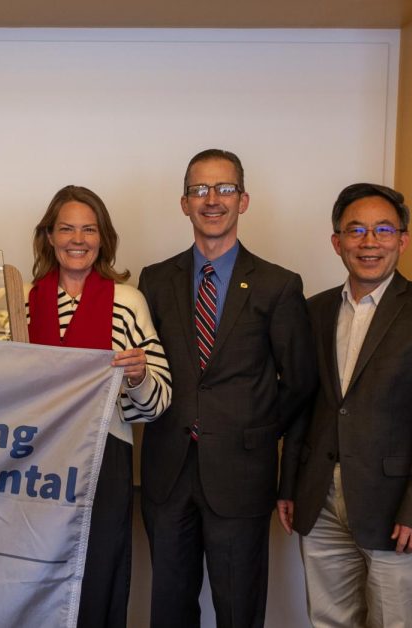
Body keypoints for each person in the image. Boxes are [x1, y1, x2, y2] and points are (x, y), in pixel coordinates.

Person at [278, 183, 412, 627]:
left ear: (402, 239)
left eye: (383, 230)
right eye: (356, 230)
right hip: (321, 500)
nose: (369, 242)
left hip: (397, 508)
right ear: (337, 242)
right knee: (329, 620)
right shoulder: (314, 311)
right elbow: (303, 406)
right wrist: (289, 485)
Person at [137, 149, 316, 627]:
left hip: (242, 473)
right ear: (183, 202)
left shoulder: (278, 285)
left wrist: (251, 428)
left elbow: (299, 382)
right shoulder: (154, 280)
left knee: (239, 609)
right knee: (170, 609)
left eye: (224, 189)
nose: (211, 199)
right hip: (167, 471)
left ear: (244, 200)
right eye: (199, 190)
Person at [25, 185, 172, 628]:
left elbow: (159, 401)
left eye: (89, 229)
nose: (78, 238)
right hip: (35, 462)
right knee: (36, 572)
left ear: (103, 238)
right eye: (66, 228)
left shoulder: (127, 303)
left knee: (98, 574)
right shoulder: (20, 303)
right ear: (48, 236)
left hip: (104, 459)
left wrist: (139, 375)